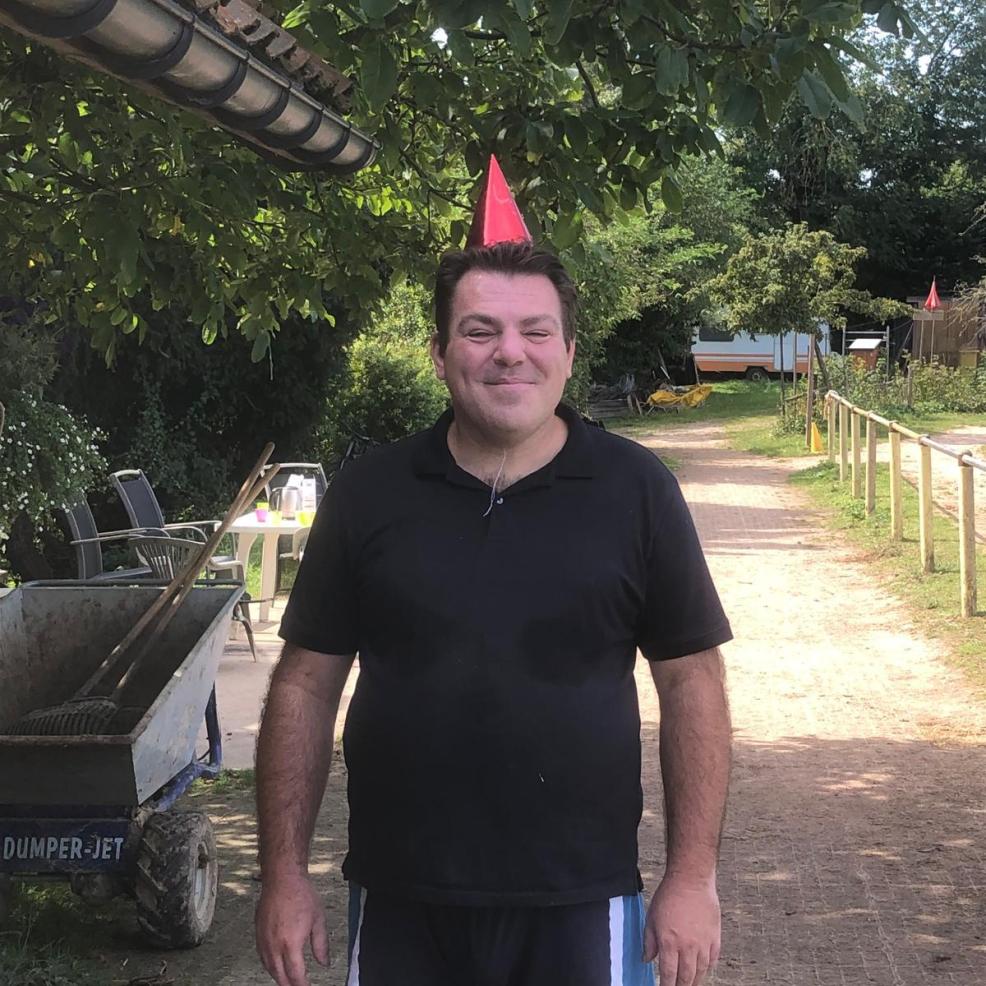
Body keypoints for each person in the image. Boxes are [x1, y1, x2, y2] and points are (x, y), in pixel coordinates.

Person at [255, 160, 732, 986]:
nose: (510, 352)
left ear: (569, 352)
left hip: (582, 897)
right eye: (480, 331)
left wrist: (692, 878)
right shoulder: (370, 492)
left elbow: (692, 682)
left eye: (535, 332)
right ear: (440, 353)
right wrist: (283, 875)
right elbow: (303, 685)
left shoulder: (636, 489)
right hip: (401, 897)